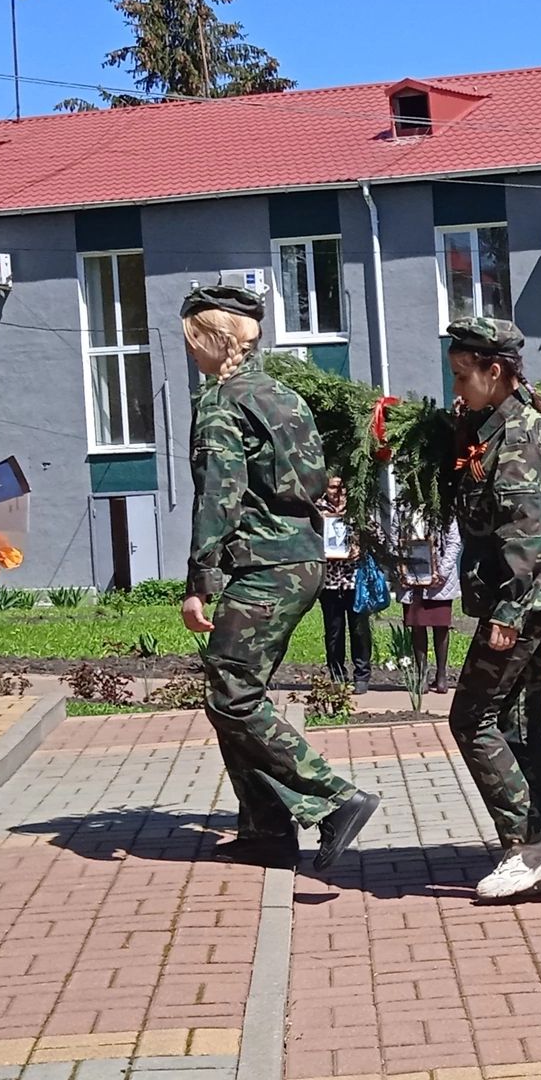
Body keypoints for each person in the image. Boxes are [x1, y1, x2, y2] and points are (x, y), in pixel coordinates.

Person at [178, 284, 381, 871]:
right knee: (236, 695)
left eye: (193, 342)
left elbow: (219, 496)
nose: (190, 354)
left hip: (261, 565)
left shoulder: (221, 403)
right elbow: (317, 485)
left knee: (232, 694)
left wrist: (199, 582)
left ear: (211, 340)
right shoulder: (283, 396)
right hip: (302, 559)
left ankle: (335, 799)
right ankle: (265, 827)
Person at [443, 318, 541, 902]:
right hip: (531, 603)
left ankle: (528, 845)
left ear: (494, 371)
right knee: (519, 725)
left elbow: (528, 540)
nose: (457, 386)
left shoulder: (520, 436)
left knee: (471, 718)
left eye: (462, 375)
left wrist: (507, 613)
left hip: (521, 604)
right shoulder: (502, 425)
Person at [315, 475, 373, 692]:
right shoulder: (317, 510)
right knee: (333, 631)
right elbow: (308, 538)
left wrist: (360, 546)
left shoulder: (358, 508)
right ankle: (337, 675)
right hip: (329, 581)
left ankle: (362, 675)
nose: (337, 492)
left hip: (354, 580)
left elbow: (376, 535)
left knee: (360, 630)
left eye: (341, 487)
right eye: (332, 487)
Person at [400, 516, 460, 693]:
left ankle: (441, 676)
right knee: (417, 625)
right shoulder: (404, 507)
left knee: (441, 626)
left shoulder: (444, 509)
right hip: (413, 575)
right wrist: (400, 567)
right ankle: (422, 677)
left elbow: (454, 543)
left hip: (439, 579)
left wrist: (441, 573)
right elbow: (395, 538)